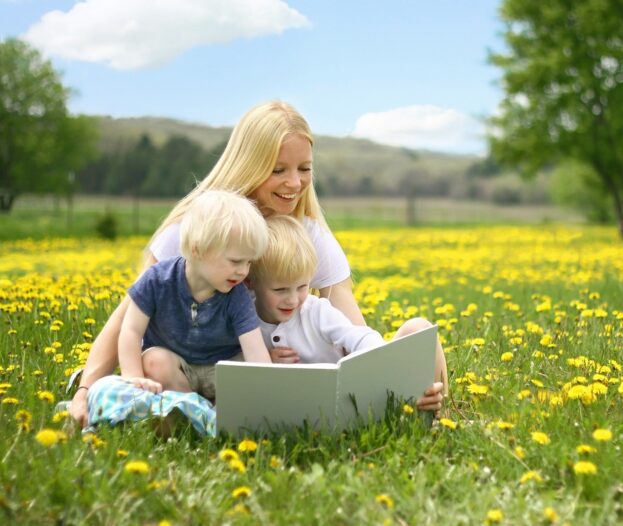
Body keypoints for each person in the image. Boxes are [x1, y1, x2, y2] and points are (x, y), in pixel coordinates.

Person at [69, 100, 444, 425]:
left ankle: (433, 405)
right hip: (206, 376)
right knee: (162, 368)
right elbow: (125, 320)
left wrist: (383, 375)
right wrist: (85, 390)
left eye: (305, 169)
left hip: (284, 377)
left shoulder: (309, 234)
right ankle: (187, 416)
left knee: (419, 331)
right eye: (278, 169)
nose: (295, 183)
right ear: (248, 165)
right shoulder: (195, 233)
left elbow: (350, 322)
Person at [249, 216, 448, 412]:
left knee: (419, 329)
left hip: (349, 403)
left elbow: (358, 336)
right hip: (295, 413)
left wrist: (377, 360)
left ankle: (440, 414)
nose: (293, 299)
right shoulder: (247, 323)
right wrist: (266, 361)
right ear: (250, 283)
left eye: (302, 286)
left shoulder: (317, 311)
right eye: (280, 290)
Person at [119, 190, 271, 400]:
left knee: (247, 371)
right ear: (197, 250)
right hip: (176, 373)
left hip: (219, 371)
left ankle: (217, 414)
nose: (243, 271)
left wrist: (267, 388)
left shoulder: (237, 296)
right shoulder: (158, 280)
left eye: (249, 262)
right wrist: (133, 377)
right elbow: (131, 330)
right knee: (154, 361)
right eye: (236, 261)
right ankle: (189, 411)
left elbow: (255, 352)